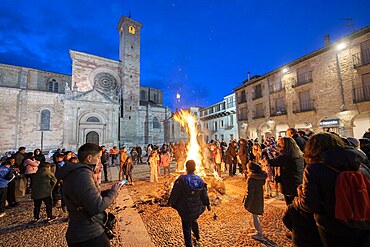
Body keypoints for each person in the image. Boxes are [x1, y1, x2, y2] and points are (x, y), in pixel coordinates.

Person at [294, 132, 370, 247]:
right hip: (364, 221)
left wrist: (297, 199)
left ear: (311, 149)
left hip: (334, 226)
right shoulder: (360, 164)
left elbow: (310, 204)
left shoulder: (314, 169)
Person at [56, 143, 120, 247]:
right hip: (89, 235)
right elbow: (98, 206)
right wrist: (114, 192)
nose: (99, 160)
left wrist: (108, 191)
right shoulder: (83, 175)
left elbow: (85, 196)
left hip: (79, 232)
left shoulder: (75, 172)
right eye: (98, 157)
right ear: (89, 158)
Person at [168, 160, 211, 247]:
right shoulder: (200, 181)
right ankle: (197, 236)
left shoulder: (181, 180)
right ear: (195, 168)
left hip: (185, 208)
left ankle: (189, 245)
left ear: (186, 168)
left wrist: (171, 202)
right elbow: (204, 196)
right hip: (196, 209)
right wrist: (208, 204)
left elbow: (175, 194)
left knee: (186, 226)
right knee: (193, 219)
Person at [268, 137, 304, 205]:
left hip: (289, 184)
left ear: (286, 145)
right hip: (298, 181)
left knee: (291, 204)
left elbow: (271, 162)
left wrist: (266, 153)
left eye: (280, 144)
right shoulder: (299, 155)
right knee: (297, 203)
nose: (278, 146)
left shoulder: (286, 156)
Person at [244, 162, 267, 241]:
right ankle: (257, 230)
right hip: (259, 199)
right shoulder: (259, 176)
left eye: (248, 168)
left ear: (251, 170)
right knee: (255, 215)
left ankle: (259, 234)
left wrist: (246, 203)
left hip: (254, 201)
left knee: (255, 216)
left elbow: (250, 193)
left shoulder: (252, 179)